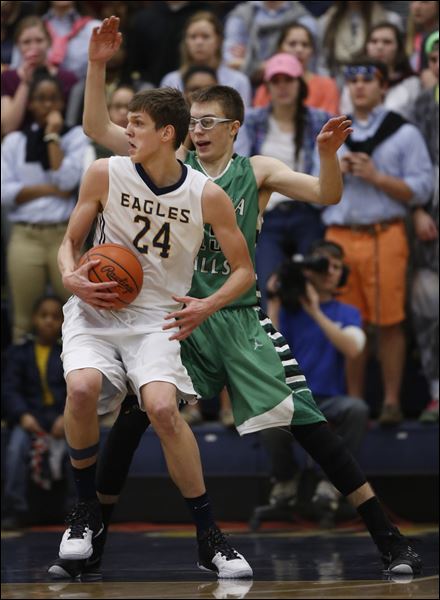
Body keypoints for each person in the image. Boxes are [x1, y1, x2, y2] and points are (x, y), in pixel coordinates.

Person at [49, 16, 422, 579]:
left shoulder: (257, 171)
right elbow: (99, 126)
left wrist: (326, 153)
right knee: (132, 422)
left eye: (209, 122)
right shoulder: (166, 164)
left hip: (236, 314)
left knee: (307, 424)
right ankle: (91, 542)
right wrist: (99, 65)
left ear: (234, 128)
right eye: (192, 121)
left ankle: (389, 539)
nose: (198, 130)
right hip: (177, 319)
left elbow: (326, 193)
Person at [55, 81, 255, 578]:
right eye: (127, 123)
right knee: (81, 389)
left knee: (163, 409)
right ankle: (84, 513)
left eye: (137, 124)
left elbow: (244, 271)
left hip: (156, 318)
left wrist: (207, 305)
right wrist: (70, 276)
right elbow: (70, 242)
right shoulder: (105, 172)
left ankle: (209, 536)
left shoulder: (207, 195)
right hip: (97, 308)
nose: (127, 131)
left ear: (167, 133)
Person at [323, 58, 434, 426]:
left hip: (384, 232)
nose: (359, 86)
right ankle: (354, 404)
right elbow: (312, 185)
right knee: (347, 324)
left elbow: (423, 188)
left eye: (368, 79)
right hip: (340, 236)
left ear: (384, 86)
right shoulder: (333, 131)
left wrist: (376, 176)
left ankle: (390, 402)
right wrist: (334, 169)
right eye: (352, 79)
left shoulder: (403, 132)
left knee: (389, 321)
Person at [261, 240, 369, 522]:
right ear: (309, 270)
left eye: (337, 267)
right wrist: (274, 303)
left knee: (356, 409)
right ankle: (285, 480)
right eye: (324, 265)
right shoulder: (288, 311)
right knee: (267, 412)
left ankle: (331, 483)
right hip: (295, 396)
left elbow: (353, 348)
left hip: (330, 399)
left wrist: (315, 312)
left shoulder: (347, 312)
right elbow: (268, 353)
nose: (330, 272)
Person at [1, 70, 90, 343]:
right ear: (30, 104)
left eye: (53, 98)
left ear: (62, 102)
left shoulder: (75, 137)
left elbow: (66, 180)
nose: (48, 105)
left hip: (64, 236)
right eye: (40, 99)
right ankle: (21, 369)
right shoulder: (14, 141)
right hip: (25, 236)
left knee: (78, 315)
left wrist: (52, 136)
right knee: (23, 318)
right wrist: (51, 191)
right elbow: (5, 193)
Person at [244, 52, 330, 310]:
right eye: (275, 80)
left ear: (300, 84)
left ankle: (312, 335)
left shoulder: (320, 118)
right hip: (267, 213)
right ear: (267, 86)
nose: (282, 87)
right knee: (266, 284)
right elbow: (243, 165)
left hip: (307, 209)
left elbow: (323, 171)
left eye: (288, 80)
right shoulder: (252, 120)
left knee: (313, 284)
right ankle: (271, 336)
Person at [1, 295, 70, 530]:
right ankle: (15, 509)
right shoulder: (18, 353)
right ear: (34, 319)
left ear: (63, 322)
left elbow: (74, 390)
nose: (49, 321)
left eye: (55, 317)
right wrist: (22, 415)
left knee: (80, 447)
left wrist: (66, 416)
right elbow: (9, 388)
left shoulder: (68, 353)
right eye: (44, 315)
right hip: (29, 416)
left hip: (60, 416)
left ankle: (76, 509)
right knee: (15, 448)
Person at [409, 31, 439, 423]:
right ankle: (436, 392)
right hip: (429, 220)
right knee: (430, 309)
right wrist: (417, 209)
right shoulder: (419, 105)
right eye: (435, 58)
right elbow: (414, 166)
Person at [1, 15, 78, 136]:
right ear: (18, 45)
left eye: (39, 40)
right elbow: (7, 127)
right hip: (19, 142)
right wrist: (25, 83)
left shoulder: (68, 78)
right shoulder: (8, 78)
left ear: (49, 42)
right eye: (26, 42)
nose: (34, 47)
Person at [160, 11, 252, 108]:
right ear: (186, 41)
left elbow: (243, 117)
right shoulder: (171, 81)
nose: (199, 42)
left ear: (218, 41)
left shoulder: (238, 81)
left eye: (205, 36)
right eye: (193, 37)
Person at [253, 22, 340, 114]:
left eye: (305, 45)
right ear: (280, 48)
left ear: (312, 51)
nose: (299, 49)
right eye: (292, 44)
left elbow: (329, 120)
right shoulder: (267, 89)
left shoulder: (327, 86)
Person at [340, 22, 421, 119]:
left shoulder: (411, 82)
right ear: (366, 46)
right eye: (374, 41)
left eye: (387, 42)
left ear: (398, 47)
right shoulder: (354, 79)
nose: (379, 47)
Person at [222, 0, 317, 83]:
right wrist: (280, 63)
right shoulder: (241, 15)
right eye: (292, 44)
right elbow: (230, 63)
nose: (299, 48)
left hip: (288, 85)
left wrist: (248, 62)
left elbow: (305, 67)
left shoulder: (304, 20)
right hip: (246, 85)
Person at [318, 1, 402, 83]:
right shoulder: (327, 21)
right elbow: (322, 63)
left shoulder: (390, 20)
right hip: (336, 84)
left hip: (378, 84)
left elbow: (399, 62)